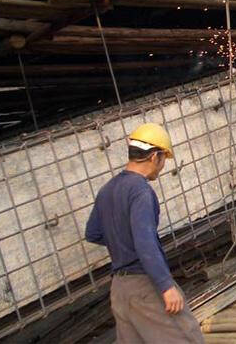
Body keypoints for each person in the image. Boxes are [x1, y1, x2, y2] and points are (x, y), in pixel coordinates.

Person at [85, 123, 204, 343]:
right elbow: (145, 241)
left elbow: (93, 233)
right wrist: (166, 286)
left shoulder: (107, 190)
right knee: (186, 337)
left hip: (120, 291)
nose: (162, 166)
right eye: (163, 160)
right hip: (144, 286)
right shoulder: (140, 191)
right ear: (154, 156)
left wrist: (121, 241)